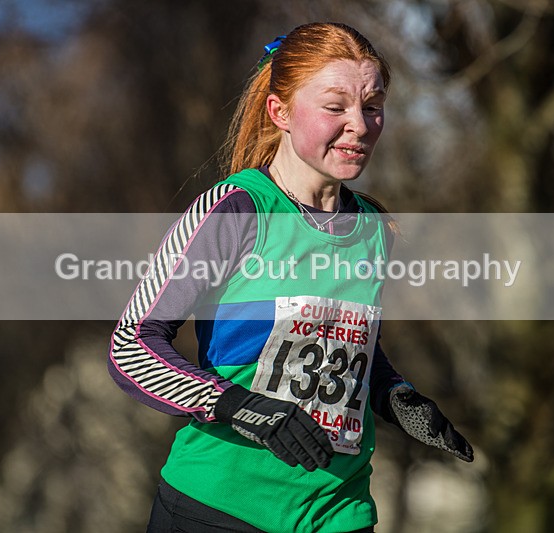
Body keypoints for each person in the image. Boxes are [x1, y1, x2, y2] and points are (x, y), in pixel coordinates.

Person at [108, 22, 473, 533]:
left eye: (372, 105)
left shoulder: (372, 226)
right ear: (280, 111)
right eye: (335, 106)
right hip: (220, 506)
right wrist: (238, 405)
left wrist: (394, 394)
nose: (361, 125)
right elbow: (131, 346)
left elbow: (346, 340)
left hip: (338, 511)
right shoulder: (236, 209)